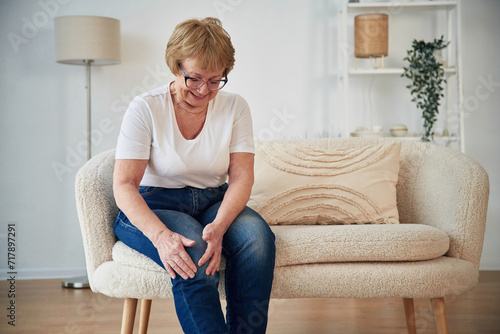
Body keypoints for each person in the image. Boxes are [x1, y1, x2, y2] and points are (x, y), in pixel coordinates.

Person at [112, 17, 276, 334]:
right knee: (193, 254)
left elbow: (242, 178)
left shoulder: (235, 107)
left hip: (213, 199)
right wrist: (161, 237)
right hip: (155, 204)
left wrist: (219, 225)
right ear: (176, 67)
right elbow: (124, 185)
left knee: (258, 239)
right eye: (195, 79)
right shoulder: (145, 108)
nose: (203, 90)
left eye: (215, 81)